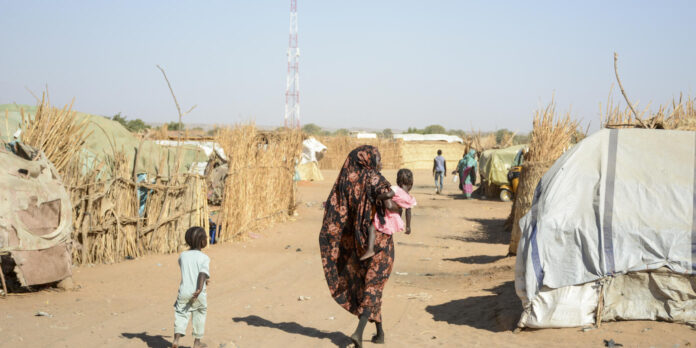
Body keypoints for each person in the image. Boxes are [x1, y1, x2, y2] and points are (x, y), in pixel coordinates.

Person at [319, 145, 396, 348]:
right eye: (377, 157)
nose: (380, 161)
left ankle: (380, 333)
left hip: (359, 242)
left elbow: (336, 208)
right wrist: (404, 203)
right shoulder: (374, 178)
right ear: (368, 160)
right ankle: (358, 332)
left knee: (372, 284)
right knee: (374, 285)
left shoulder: (347, 181)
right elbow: (389, 204)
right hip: (380, 240)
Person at [360, 168, 417, 260]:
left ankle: (370, 249)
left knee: (372, 228)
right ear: (411, 183)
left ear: (398, 181)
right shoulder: (408, 197)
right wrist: (408, 226)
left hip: (387, 215)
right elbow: (408, 211)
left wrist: (378, 197)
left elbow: (387, 195)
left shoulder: (396, 189)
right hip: (395, 217)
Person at [172, 227, 210, 348]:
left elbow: (188, 271)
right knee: (199, 313)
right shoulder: (204, 258)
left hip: (184, 291)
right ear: (202, 241)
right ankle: (197, 343)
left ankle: (176, 340)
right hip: (198, 293)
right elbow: (202, 273)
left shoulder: (182, 256)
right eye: (205, 238)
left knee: (181, 314)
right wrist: (199, 288)